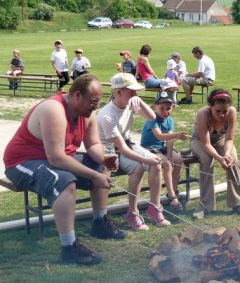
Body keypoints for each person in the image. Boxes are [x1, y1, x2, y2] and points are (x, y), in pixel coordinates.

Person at [3, 74, 127, 265]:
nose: (96, 106)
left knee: (102, 166)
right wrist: (94, 176)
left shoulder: (88, 115)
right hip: (22, 162)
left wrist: (105, 161)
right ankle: (69, 248)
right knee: (64, 181)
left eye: (98, 102)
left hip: (54, 158)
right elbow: (56, 157)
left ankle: (100, 223)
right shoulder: (54, 109)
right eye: (93, 101)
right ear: (77, 95)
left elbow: (93, 143)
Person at [97, 73, 170, 230]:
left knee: (157, 163)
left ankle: (154, 208)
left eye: (136, 92)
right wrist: (146, 160)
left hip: (127, 144)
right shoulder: (107, 115)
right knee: (138, 168)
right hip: (110, 150)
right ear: (118, 93)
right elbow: (121, 148)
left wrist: (140, 102)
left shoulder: (130, 103)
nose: (135, 95)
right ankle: (132, 212)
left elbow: (152, 117)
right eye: (132, 92)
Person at [189, 88, 240, 219]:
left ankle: (238, 203)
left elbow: (229, 139)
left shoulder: (232, 112)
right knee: (207, 160)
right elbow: (206, 144)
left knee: (232, 159)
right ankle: (204, 205)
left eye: (225, 111)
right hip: (200, 141)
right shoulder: (203, 113)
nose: (222, 115)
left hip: (221, 141)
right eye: (218, 111)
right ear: (211, 106)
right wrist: (219, 158)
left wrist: (227, 154)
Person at [140, 91, 189, 210]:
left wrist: (170, 154)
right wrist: (177, 135)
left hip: (162, 148)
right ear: (154, 107)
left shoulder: (170, 120)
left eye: (168, 108)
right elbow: (160, 136)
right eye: (162, 108)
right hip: (149, 148)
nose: (165, 111)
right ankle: (172, 197)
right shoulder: (151, 119)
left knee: (179, 160)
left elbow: (170, 139)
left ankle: (173, 190)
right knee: (166, 164)